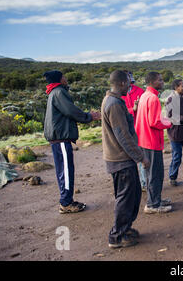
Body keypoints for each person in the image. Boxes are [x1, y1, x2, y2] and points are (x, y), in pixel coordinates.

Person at [101, 70, 150, 249]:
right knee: (125, 198)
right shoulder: (114, 104)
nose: (131, 85)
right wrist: (140, 157)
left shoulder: (112, 100)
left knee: (133, 195)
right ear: (122, 83)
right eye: (129, 82)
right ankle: (116, 236)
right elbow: (123, 136)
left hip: (120, 159)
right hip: (120, 160)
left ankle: (125, 229)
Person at [43, 70, 100, 214]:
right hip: (61, 138)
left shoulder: (53, 93)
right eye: (63, 76)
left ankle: (67, 200)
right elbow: (71, 111)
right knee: (66, 170)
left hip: (58, 137)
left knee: (63, 170)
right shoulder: (59, 92)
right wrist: (89, 117)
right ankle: (66, 203)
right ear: (59, 79)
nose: (66, 78)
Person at [136, 72, 173, 214]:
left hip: (143, 140)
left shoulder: (145, 96)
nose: (162, 82)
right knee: (155, 174)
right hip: (151, 141)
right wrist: (169, 123)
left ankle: (156, 199)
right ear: (152, 82)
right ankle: (153, 204)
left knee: (151, 173)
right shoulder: (153, 98)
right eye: (160, 80)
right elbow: (154, 122)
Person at [120, 71, 147, 191]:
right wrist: (133, 109)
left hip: (139, 128)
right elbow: (119, 112)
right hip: (125, 130)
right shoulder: (118, 94)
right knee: (127, 159)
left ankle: (144, 183)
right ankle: (131, 184)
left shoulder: (140, 91)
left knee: (141, 155)